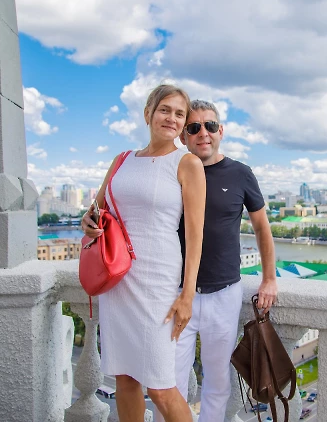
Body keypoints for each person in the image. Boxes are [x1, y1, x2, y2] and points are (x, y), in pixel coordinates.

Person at [81, 84, 206, 422]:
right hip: (117, 279)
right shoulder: (121, 160)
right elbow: (97, 210)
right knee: (125, 378)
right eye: (165, 109)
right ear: (148, 113)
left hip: (158, 282)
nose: (172, 118)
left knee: (162, 387)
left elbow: (195, 235)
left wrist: (187, 296)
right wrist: (87, 222)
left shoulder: (187, 163)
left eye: (179, 114)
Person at [158, 99, 277, 422]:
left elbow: (262, 227)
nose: (203, 133)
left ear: (220, 131)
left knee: (218, 380)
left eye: (210, 126)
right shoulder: (171, 171)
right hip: (176, 294)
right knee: (168, 382)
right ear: (183, 136)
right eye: (194, 127)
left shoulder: (241, 174)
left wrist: (269, 278)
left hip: (224, 295)